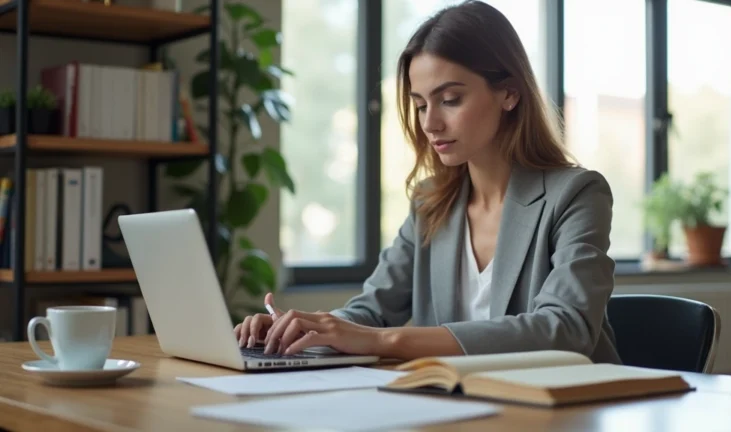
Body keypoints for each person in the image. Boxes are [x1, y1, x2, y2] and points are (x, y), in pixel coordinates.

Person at [234, 0, 621, 364]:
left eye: (450, 99)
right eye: (420, 105)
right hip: (460, 406)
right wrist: (300, 331)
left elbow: (566, 328)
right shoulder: (430, 202)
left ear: (509, 93)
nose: (430, 123)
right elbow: (372, 310)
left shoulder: (577, 195)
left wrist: (389, 341)